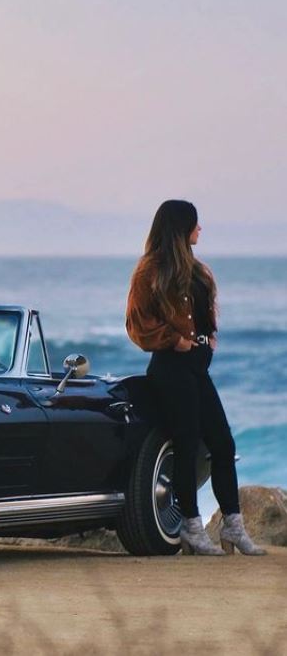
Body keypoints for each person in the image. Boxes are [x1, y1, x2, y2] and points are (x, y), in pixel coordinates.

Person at [125, 200, 265, 556]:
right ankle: (191, 527)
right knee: (186, 444)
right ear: (180, 228)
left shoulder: (198, 270)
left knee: (222, 444)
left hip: (196, 370)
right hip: (170, 369)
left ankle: (233, 525)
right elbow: (137, 325)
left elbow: (206, 314)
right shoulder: (150, 271)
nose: (200, 229)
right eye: (195, 224)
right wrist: (176, 341)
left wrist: (209, 338)